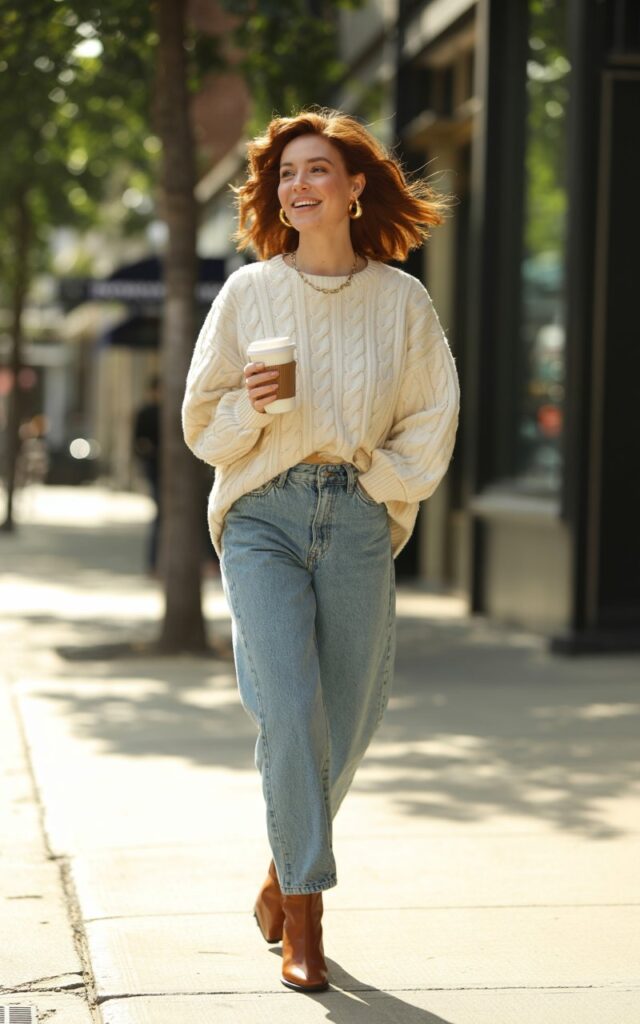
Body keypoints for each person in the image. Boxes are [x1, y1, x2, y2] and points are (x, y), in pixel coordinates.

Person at [182, 107, 460, 993]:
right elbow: (203, 428)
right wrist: (256, 409)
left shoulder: (402, 300)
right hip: (263, 510)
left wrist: (378, 478)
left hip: (356, 513)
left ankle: (279, 866)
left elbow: (433, 413)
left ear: (354, 187)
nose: (297, 186)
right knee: (289, 706)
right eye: (286, 175)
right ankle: (307, 912)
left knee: (353, 714)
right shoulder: (247, 294)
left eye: (315, 171)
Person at [133, 376, 161, 573]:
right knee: (160, 516)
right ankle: (153, 563)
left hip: (155, 466)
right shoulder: (146, 413)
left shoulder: (171, 411)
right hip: (155, 467)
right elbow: (138, 444)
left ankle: (154, 563)